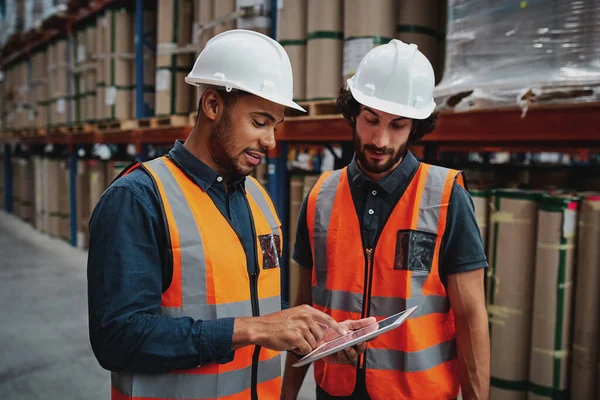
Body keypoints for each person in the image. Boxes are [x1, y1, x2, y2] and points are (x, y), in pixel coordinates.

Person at [87, 30, 372, 400]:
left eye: (275, 126)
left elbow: (252, 307)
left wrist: (312, 332)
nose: (270, 141)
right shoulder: (138, 199)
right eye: (259, 122)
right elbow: (117, 339)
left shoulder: (257, 199)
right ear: (212, 106)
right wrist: (251, 330)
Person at [281, 40, 491, 400]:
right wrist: (287, 395)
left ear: (416, 126)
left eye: (398, 125)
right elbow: (303, 310)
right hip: (334, 391)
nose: (381, 139)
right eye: (371, 120)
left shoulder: (446, 197)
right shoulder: (319, 196)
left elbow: (471, 317)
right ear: (353, 113)